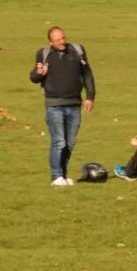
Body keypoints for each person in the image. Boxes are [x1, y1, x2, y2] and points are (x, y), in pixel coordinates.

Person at [30, 25, 95, 186]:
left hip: (74, 104)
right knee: (59, 141)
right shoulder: (44, 54)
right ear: (51, 41)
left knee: (70, 142)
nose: (62, 41)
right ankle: (56, 176)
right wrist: (40, 73)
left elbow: (87, 74)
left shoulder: (77, 50)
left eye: (63, 37)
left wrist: (90, 96)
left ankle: (63, 176)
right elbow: (34, 77)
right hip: (54, 105)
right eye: (58, 39)